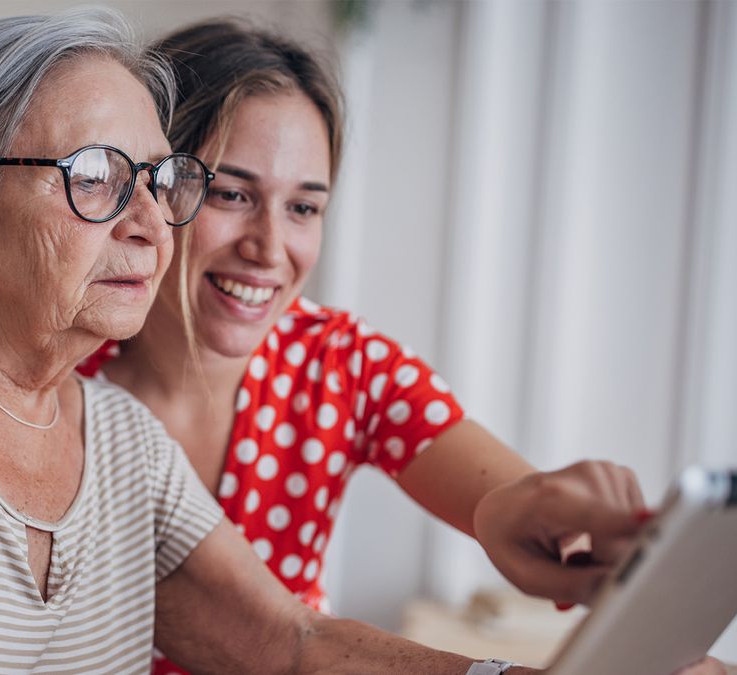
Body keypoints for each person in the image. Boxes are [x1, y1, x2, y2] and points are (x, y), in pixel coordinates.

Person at [0, 9, 716, 675]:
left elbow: (285, 647)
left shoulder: (115, 439)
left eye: (160, 181)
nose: (153, 220)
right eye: (97, 180)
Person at [78, 19, 723, 675]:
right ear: (148, 184)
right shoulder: (56, 376)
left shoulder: (337, 361)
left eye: (304, 207)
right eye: (232, 193)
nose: (270, 249)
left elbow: (506, 497)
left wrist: (551, 513)